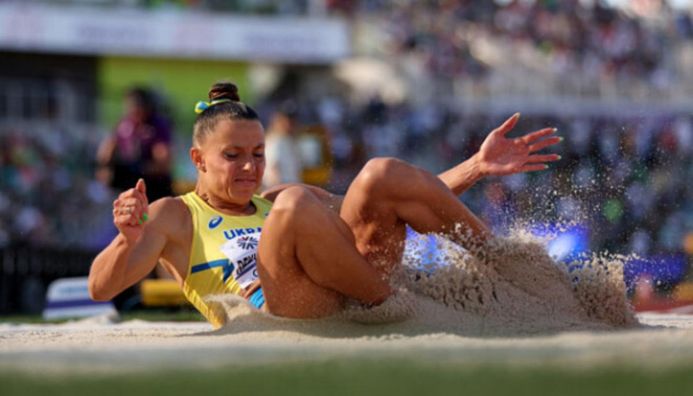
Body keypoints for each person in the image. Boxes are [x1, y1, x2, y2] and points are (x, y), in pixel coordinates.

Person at [88, 82, 561, 328]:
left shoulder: (277, 200)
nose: (250, 169)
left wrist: (476, 166)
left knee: (380, 173)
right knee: (294, 201)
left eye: (257, 155)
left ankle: (515, 270)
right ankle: (399, 306)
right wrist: (126, 241)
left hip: (347, 284)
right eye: (232, 157)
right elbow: (100, 287)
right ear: (198, 159)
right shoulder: (175, 213)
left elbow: (397, 202)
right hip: (279, 310)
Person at [96, 87, 173, 202]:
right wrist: (106, 167)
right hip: (128, 184)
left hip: (153, 186)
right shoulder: (124, 124)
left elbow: (163, 162)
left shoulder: (156, 126)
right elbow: (106, 151)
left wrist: (139, 168)